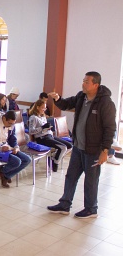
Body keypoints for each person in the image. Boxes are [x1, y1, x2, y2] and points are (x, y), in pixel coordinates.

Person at [47, 71, 116, 218]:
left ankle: (91, 209)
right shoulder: (81, 97)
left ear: (95, 85)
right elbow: (66, 104)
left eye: (86, 82)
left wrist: (105, 150)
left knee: (91, 181)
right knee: (70, 176)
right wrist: (58, 98)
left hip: (93, 150)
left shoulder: (105, 103)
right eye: (83, 81)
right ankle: (65, 204)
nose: (83, 84)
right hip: (78, 147)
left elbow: (110, 128)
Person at [0, 110, 31, 188]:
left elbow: (13, 139)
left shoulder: (11, 124)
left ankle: (5, 174)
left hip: (6, 147)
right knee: (17, 161)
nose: (10, 126)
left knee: (27, 160)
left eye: (12, 124)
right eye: (9, 123)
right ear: (4, 118)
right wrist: (0, 148)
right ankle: (4, 172)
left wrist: (16, 147)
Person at [29, 99, 72, 172]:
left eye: (45, 108)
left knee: (69, 146)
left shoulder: (43, 116)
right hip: (41, 138)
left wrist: (48, 128)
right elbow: (31, 131)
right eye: (43, 108)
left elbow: (45, 128)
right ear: (37, 107)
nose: (44, 109)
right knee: (63, 147)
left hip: (49, 135)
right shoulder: (33, 118)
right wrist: (42, 128)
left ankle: (54, 157)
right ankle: (55, 162)